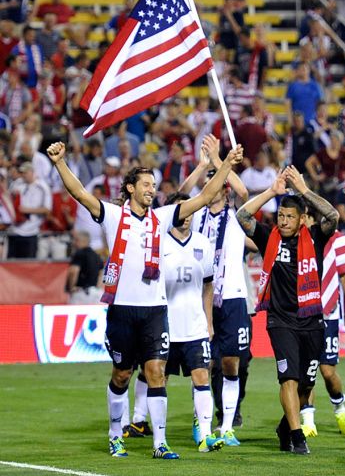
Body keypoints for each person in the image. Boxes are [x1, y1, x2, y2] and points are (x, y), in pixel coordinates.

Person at [45, 140, 243, 459]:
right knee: (122, 375)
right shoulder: (112, 215)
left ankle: (159, 443)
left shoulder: (163, 217)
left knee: (155, 373)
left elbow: (205, 197)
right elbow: (80, 193)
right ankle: (115, 434)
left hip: (154, 311)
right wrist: (60, 163)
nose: (152, 189)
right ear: (130, 188)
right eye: (146, 185)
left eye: (153, 185)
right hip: (122, 310)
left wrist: (226, 165)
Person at [236, 165, 339, 455]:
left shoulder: (315, 237)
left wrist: (303, 190)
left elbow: (333, 216)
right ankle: (297, 435)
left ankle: (284, 426)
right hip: (281, 321)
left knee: (306, 385)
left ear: (302, 220)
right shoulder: (269, 237)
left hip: (312, 321)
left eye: (289, 217)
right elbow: (242, 216)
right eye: (281, 215)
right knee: (289, 378)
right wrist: (271, 191)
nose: (283, 221)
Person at [179, 135, 250, 446]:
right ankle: (202, 417)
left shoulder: (236, 218)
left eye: (216, 183)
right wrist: (202, 165)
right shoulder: (195, 219)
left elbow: (245, 191)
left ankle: (228, 426)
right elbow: (179, 196)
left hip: (232, 297)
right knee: (203, 363)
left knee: (231, 362)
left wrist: (221, 161)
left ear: (224, 187)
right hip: (202, 297)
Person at [160, 192, 225, 453]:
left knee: (201, 376)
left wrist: (208, 321)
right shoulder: (160, 242)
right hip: (164, 325)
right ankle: (159, 437)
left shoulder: (202, 243)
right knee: (158, 379)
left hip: (195, 325)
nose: (185, 217)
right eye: (180, 212)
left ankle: (206, 436)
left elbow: (208, 286)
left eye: (189, 212)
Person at [299, 208, 345, 438]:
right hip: (302, 315)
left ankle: (339, 405)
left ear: (309, 217)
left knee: (327, 371)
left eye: (303, 217)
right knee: (305, 371)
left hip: (327, 314)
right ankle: (308, 419)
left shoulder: (331, 239)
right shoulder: (294, 241)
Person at [66, 231, 103, 304]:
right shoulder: (96, 255)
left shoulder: (79, 254)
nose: (74, 243)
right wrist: (98, 288)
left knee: (75, 314)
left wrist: (71, 287)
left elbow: (74, 271)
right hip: (96, 292)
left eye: (76, 240)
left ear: (84, 241)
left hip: (80, 292)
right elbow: (101, 273)